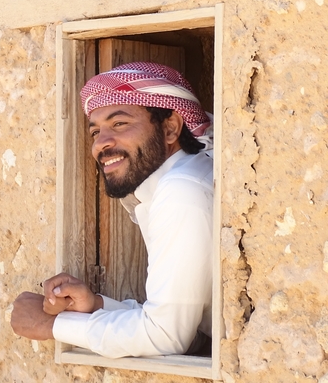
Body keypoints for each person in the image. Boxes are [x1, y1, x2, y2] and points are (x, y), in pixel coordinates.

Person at [11, 62, 214, 358]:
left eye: (119, 124)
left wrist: (53, 325)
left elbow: (165, 337)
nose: (101, 145)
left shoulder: (181, 191)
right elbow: (181, 323)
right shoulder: (172, 184)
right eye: (95, 132)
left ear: (170, 128)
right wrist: (94, 306)